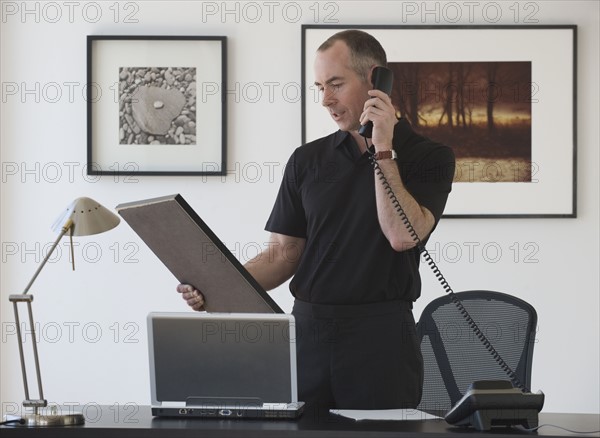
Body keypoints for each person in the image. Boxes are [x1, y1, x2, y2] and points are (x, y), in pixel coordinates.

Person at [177, 30, 455, 411]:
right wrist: (216, 287)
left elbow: (402, 236)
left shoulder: (431, 157)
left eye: (336, 84)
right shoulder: (307, 160)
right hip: (307, 336)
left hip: (382, 342)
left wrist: (384, 149)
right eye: (320, 87)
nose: (326, 99)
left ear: (376, 81)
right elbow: (282, 255)